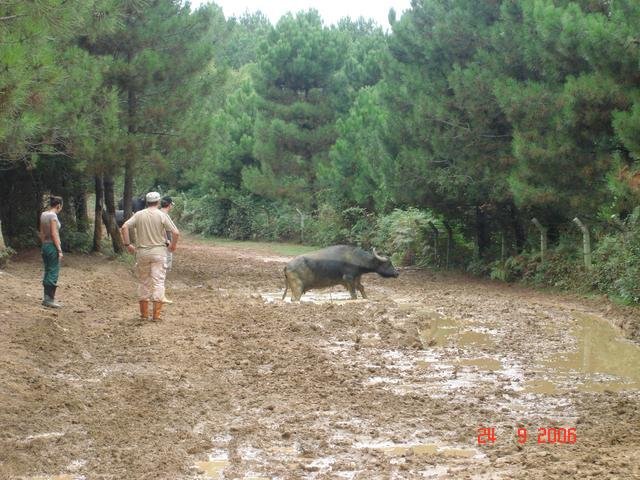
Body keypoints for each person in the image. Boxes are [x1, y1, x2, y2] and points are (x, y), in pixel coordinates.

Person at [120, 191, 179, 321]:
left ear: (147, 202)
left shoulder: (139, 215)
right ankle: (156, 315)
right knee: (158, 282)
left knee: (144, 282)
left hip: (142, 253)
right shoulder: (162, 215)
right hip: (159, 253)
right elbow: (175, 232)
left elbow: (124, 227)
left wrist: (127, 244)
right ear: (158, 202)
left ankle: (144, 314)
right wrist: (172, 246)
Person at [39, 196, 64, 308]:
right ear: (58, 205)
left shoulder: (43, 214)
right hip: (52, 246)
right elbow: (54, 234)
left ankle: (46, 298)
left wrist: (44, 244)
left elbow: (42, 232)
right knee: (53, 271)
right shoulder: (53, 216)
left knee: (48, 270)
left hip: (45, 245)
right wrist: (59, 249)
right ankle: (49, 300)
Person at [160, 196, 175, 304]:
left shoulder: (156, 213)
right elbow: (174, 231)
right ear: (169, 205)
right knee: (163, 269)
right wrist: (170, 243)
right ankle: (160, 294)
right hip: (164, 245)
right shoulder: (165, 215)